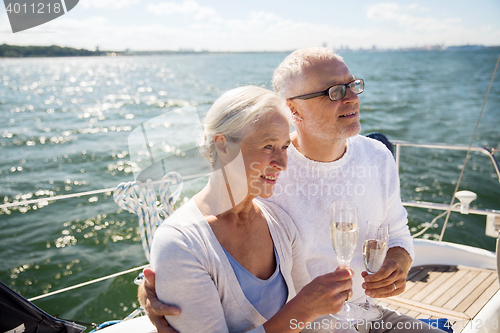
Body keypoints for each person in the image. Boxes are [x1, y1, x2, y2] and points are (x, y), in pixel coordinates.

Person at [140, 48, 447, 333]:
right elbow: (202, 227)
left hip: (367, 313)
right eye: (334, 91)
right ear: (293, 110)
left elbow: (397, 232)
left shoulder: (376, 157)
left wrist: (398, 263)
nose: (352, 97)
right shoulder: (259, 183)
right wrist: (159, 280)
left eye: (353, 85)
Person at [148, 85, 356, 333]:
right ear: (224, 147)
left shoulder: (279, 223)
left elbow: (313, 326)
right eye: (268, 146)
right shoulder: (180, 243)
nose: (282, 163)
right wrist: (303, 310)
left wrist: (311, 312)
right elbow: (303, 314)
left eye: (285, 147)